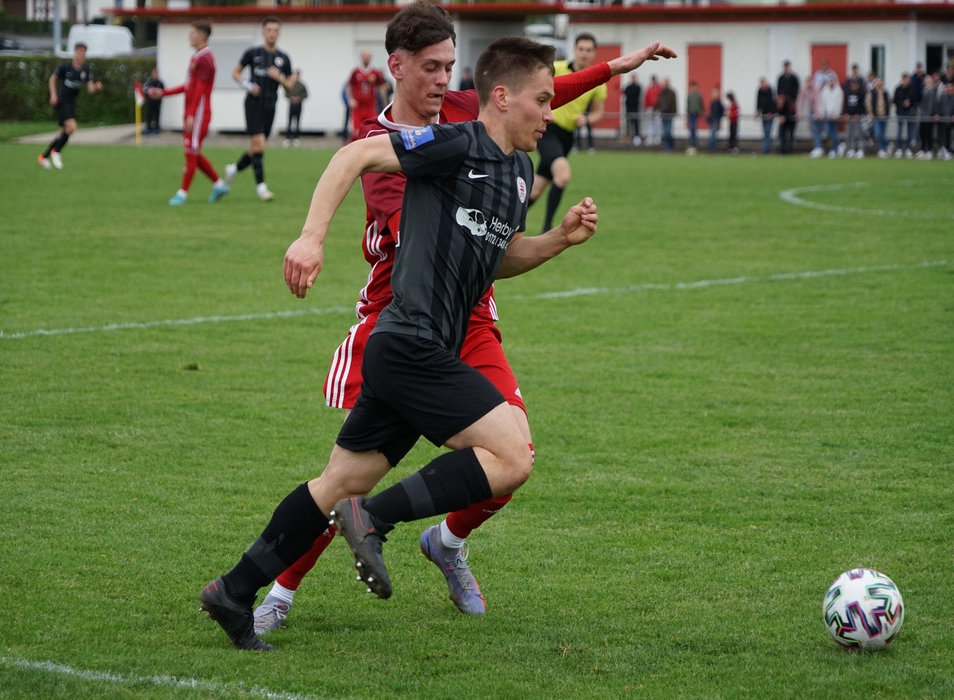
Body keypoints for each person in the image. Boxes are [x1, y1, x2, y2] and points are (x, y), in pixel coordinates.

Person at [250, 1, 676, 634]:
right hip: (401, 315)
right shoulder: (383, 149)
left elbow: (533, 94)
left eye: (451, 67)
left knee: (514, 453)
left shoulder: (463, 114)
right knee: (348, 479)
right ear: (397, 66)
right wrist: (312, 237)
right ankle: (280, 591)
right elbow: (433, 233)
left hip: (471, 316)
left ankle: (447, 541)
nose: (444, 80)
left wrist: (615, 67)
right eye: (432, 67)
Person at [200, 35, 599, 653]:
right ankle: (377, 520)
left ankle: (233, 590)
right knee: (512, 455)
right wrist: (311, 238)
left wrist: (558, 240)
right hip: (411, 344)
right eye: (542, 100)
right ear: (501, 97)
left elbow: (497, 257)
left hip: (416, 354)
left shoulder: (520, 174)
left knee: (338, 483)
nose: (551, 114)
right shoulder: (454, 144)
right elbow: (354, 156)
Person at [529, 33, 608, 233]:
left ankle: (503, 223)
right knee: (563, 175)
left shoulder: (598, 81)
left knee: (536, 189)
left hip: (567, 138)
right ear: (574, 49)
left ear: (594, 53)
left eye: (588, 50)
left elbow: (598, 113)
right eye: (581, 49)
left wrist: (586, 120)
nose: (584, 53)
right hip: (548, 130)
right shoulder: (557, 69)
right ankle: (547, 229)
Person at [150, 21, 230, 206]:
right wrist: (163, 93)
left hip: (199, 113)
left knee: (191, 152)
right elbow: (189, 86)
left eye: (192, 33)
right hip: (194, 112)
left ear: (201, 36)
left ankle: (182, 193)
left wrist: (192, 114)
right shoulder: (198, 57)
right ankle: (219, 184)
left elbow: (200, 89)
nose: (189, 36)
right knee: (193, 152)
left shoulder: (205, 59)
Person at [226, 16, 294, 202]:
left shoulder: (284, 58)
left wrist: (279, 78)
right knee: (260, 145)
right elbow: (235, 73)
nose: (272, 33)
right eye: (269, 30)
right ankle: (261, 188)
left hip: (270, 106)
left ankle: (233, 169)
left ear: (279, 33)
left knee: (256, 147)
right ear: (263, 32)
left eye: (275, 30)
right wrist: (247, 85)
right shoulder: (252, 53)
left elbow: (290, 86)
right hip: (253, 104)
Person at [37, 42, 103, 170]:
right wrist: (53, 95)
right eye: (80, 51)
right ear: (75, 53)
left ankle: (43, 157)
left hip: (71, 104)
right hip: (61, 101)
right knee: (72, 127)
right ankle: (56, 152)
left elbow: (90, 90)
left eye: (84, 52)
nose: (81, 54)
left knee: (63, 133)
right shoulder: (65, 67)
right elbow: (52, 79)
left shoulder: (85, 70)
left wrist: (96, 87)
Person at [346, 49, 387, 142]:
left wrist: (385, 104)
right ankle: (354, 149)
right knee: (356, 132)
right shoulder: (355, 72)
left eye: (368, 56)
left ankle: (368, 150)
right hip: (358, 107)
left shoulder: (375, 73)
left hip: (370, 107)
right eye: (365, 56)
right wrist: (350, 99)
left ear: (371, 58)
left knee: (370, 132)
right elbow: (349, 87)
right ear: (361, 57)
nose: (366, 58)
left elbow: (382, 88)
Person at [893, 72, 917, 159]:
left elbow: (915, 100)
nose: (908, 80)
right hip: (900, 112)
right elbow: (895, 100)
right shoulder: (898, 89)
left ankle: (908, 149)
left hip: (909, 112)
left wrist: (913, 107)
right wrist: (902, 103)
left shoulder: (912, 89)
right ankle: (899, 149)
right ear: (903, 79)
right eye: (907, 79)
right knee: (899, 131)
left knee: (910, 131)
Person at [819, 74, 844, 158]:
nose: (831, 82)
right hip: (827, 115)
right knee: (828, 132)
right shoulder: (825, 90)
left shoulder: (839, 90)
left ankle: (834, 149)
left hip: (835, 116)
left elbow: (839, 103)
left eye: (832, 81)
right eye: (830, 81)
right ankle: (838, 145)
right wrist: (822, 113)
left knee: (834, 132)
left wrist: (837, 114)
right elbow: (823, 103)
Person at [865, 76, 890, 157]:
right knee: (878, 133)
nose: (879, 83)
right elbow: (868, 103)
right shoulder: (871, 92)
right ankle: (887, 144)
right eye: (877, 81)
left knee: (883, 133)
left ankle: (881, 149)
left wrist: (887, 114)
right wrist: (870, 113)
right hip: (876, 116)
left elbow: (888, 103)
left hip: (884, 116)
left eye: (880, 81)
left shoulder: (885, 92)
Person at [843, 76, 866, 158]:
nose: (854, 86)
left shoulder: (861, 94)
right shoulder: (848, 94)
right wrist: (846, 113)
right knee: (850, 134)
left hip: (858, 117)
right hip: (850, 117)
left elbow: (862, 106)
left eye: (855, 85)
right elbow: (846, 105)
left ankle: (860, 150)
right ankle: (851, 149)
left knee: (859, 134)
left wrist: (858, 114)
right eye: (852, 85)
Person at [283, 69, 308, 147]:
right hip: (292, 105)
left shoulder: (302, 85)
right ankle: (288, 137)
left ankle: (296, 138)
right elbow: (286, 93)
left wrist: (299, 98)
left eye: (298, 75)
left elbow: (305, 94)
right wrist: (291, 98)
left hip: (298, 105)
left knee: (297, 121)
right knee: (289, 121)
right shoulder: (291, 84)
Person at [755, 77, 776, 154]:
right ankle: (766, 148)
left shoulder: (770, 91)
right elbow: (758, 102)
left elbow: (772, 102)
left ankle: (766, 149)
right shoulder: (760, 91)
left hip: (770, 115)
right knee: (765, 132)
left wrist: (771, 112)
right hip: (763, 114)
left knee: (767, 131)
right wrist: (758, 111)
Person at [656, 77, 677, 152]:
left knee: (668, 132)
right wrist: (654, 109)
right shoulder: (661, 93)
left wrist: (675, 112)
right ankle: (667, 147)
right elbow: (658, 102)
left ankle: (670, 146)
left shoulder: (672, 92)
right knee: (665, 132)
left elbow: (674, 103)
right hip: (663, 114)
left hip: (670, 114)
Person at [143, 68, 164, 136]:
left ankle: (157, 128)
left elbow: (163, 91)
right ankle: (148, 128)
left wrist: (158, 93)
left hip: (157, 102)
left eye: (157, 74)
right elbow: (145, 89)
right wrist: (149, 90)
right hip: (150, 102)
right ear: (152, 74)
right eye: (154, 74)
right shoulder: (149, 82)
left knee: (157, 115)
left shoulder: (160, 83)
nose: (155, 75)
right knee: (149, 115)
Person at [685, 79, 704, 153]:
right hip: (690, 114)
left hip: (696, 114)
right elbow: (688, 104)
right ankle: (691, 143)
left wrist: (701, 110)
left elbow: (701, 104)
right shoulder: (689, 95)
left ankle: (694, 143)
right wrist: (687, 112)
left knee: (693, 128)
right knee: (691, 129)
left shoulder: (698, 95)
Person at [624, 73, 642, 145]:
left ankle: (636, 136)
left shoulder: (638, 87)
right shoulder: (628, 87)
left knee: (636, 122)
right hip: (629, 108)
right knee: (628, 122)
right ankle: (628, 136)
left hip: (635, 108)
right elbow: (625, 93)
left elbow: (636, 93)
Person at [707, 86, 724, 153]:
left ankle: (712, 148)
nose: (713, 94)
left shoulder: (719, 103)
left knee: (713, 136)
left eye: (715, 93)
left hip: (715, 121)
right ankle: (711, 148)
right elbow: (711, 113)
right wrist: (708, 119)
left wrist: (718, 119)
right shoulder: (712, 102)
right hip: (712, 121)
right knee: (711, 135)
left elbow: (721, 112)